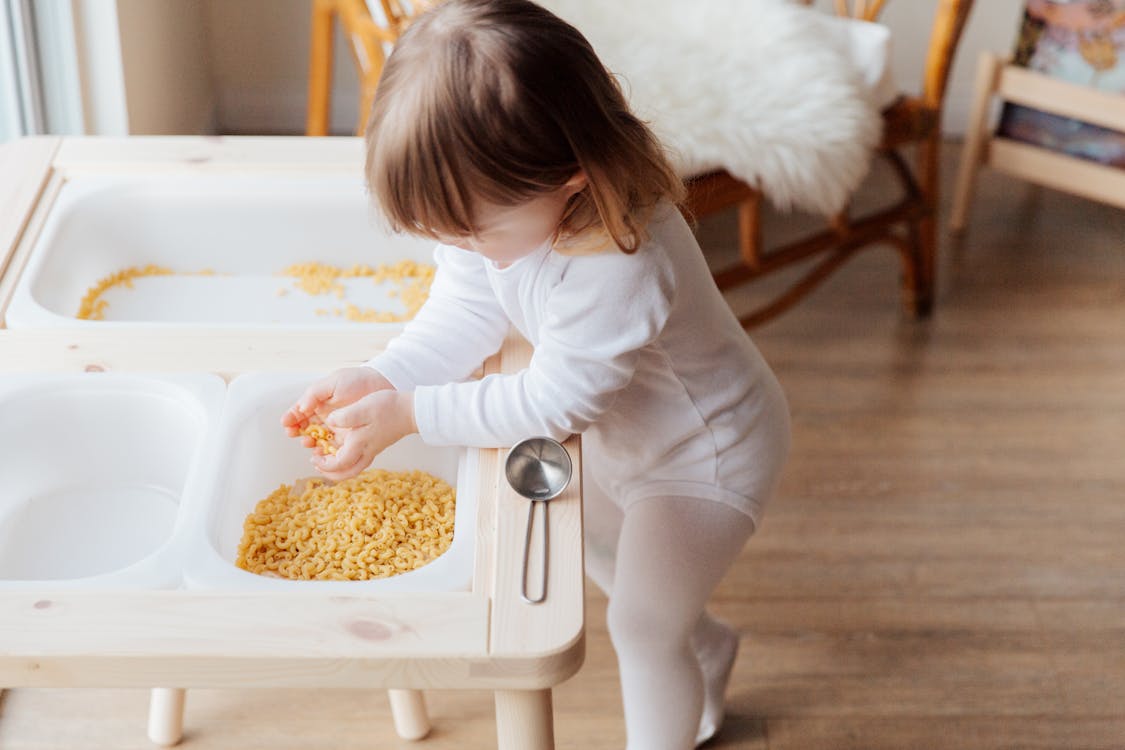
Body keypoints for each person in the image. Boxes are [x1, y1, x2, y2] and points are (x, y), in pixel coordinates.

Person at [282, 1, 790, 747]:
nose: (465, 247)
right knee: (588, 545)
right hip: (622, 439)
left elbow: (555, 403)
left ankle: (677, 665)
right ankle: (702, 638)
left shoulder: (619, 260)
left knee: (641, 625)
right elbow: (463, 310)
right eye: (446, 232)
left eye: (475, 231)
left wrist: (414, 414)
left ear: (572, 179)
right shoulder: (492, 207)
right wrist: (384, 376)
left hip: (705, 455)